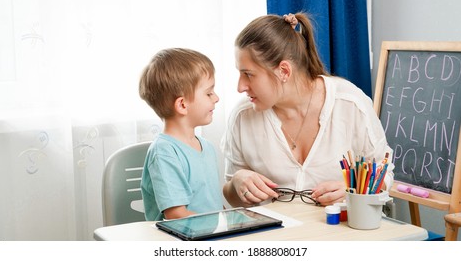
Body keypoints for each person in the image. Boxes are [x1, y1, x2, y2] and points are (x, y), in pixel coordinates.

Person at [221, 12, 394, 207]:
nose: (240, 86)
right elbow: (231, 197)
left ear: (284, 71)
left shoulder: (350, 104)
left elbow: (384, 172)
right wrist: (236, 183)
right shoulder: (242, 117)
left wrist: (353, 191)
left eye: (248, 74)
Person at [139, 48, 223, 220]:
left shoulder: (206, 147)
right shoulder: (164, 152)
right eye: (209, 93)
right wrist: (221, 224)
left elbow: (214, 206)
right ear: (182, 105)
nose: (216, 98)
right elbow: (177, 215)